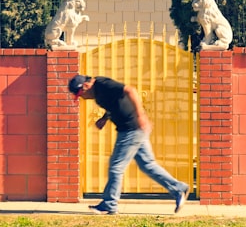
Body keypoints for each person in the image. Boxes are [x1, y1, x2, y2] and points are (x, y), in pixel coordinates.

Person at [68, 74, 190, 215]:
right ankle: (178, 188)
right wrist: (104, 118)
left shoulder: (102, 84)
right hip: (132, 129)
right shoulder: (99, 93)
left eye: (80, 94)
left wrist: (141, 115)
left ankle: (109, 204)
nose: (82, 98)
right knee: (148, 165)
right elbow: (115, 104)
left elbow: (130, 90)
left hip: (131, 128)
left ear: (85, 86)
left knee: (116, 167)